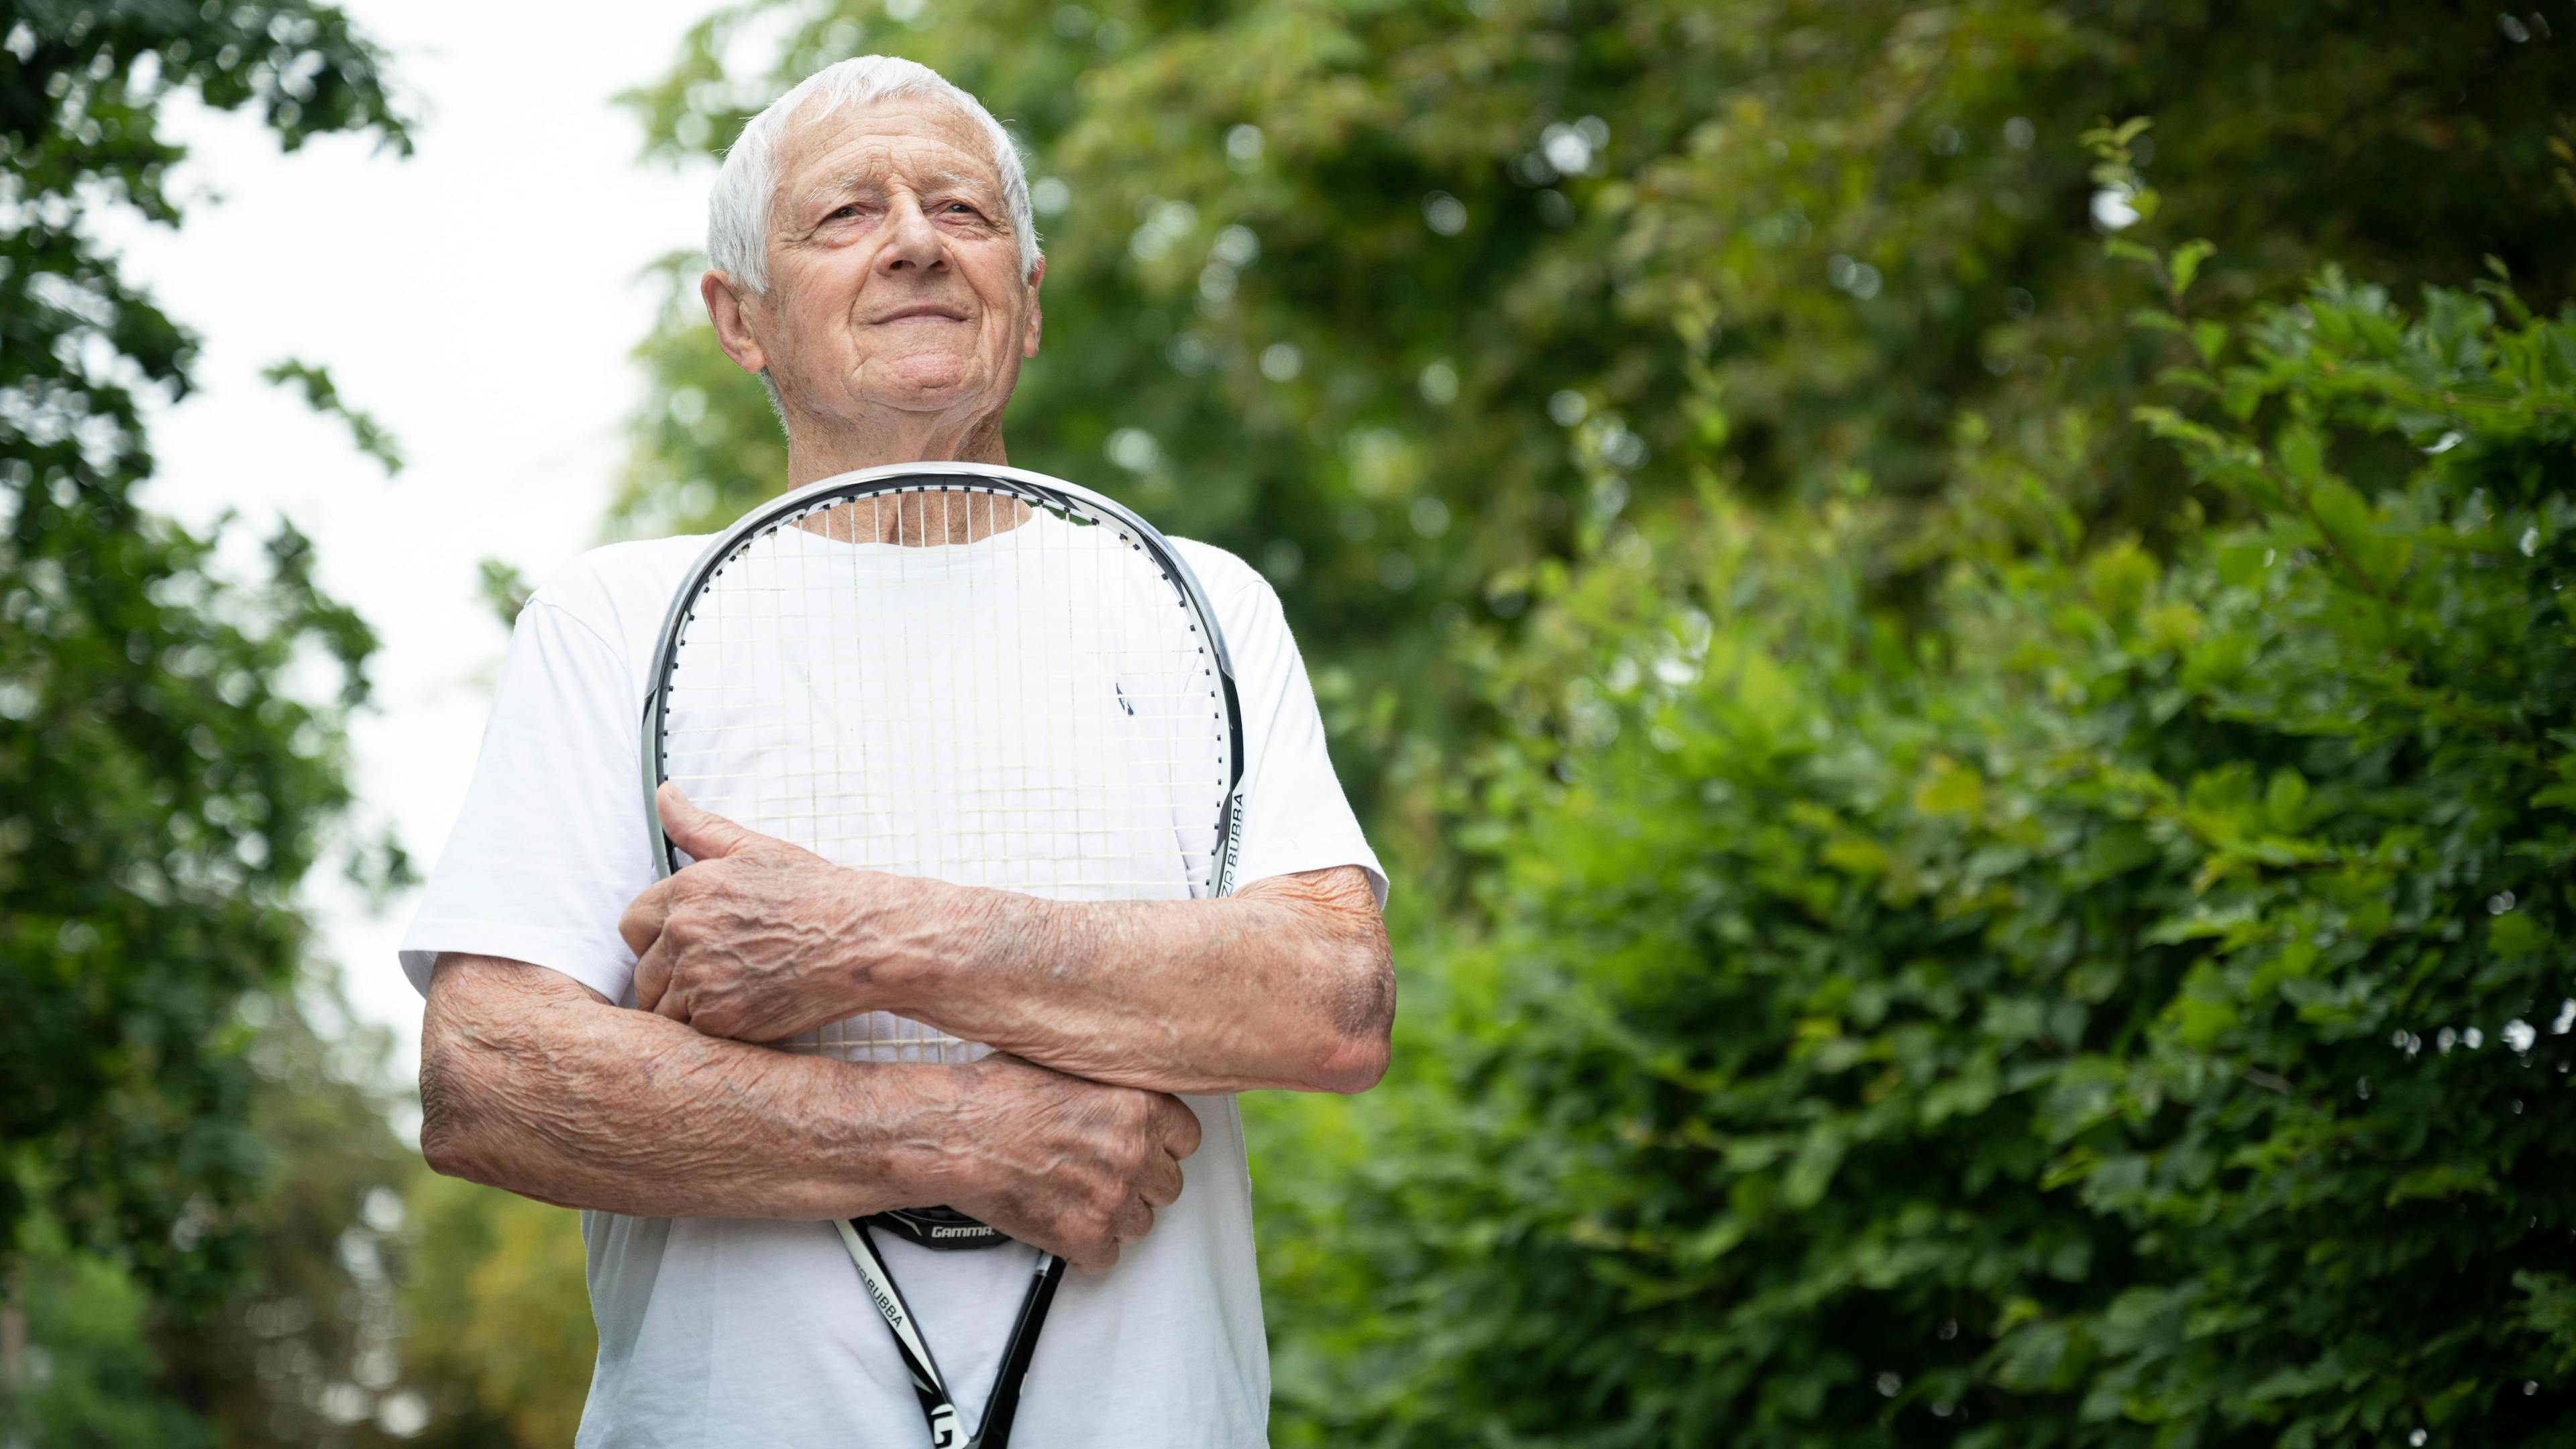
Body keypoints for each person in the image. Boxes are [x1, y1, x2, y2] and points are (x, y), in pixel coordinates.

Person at [400, 55, 1393, 1448]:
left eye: (964, 212)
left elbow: (1331, 1000)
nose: (917, 240)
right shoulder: (611, 619)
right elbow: (487, 1083)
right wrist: (961, 1136)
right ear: (738, 318)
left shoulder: (1199, 602)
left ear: (1030, 303)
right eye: (846, 216)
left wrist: (859, 937)